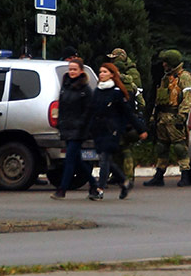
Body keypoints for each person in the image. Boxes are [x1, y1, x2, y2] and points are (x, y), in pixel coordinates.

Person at [83, 63, 147, 200]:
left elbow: (128, 113)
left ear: (112, 74)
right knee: (106, 160)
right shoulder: (97, 91)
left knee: (104, 159)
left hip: (111, 131)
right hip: (98, 130)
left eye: (105, 71)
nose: (101, 74)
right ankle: (124, 182)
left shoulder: (117, 93)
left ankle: (99, 189)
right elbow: (91, 111)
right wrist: (86, 128)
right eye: (100, 71)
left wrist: (140, 129)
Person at [145, 50, 191, 187]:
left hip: (174, 117)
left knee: (180, 147)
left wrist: (182, 116)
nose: (164, 64)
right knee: (162, 147)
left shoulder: (183, 77)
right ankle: (159, 175)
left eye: (166, 62)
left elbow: (188, 98)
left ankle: (185, 175)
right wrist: (154, 116)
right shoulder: (165, 78)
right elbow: (159, 99)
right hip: (162, 117)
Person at [51, 58, 98, 199]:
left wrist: (81, 125)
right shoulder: (65, 86)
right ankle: (93, 183)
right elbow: (62, 107)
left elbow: (89, 111)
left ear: (81, 71)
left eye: (74, 69)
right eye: (70, 69)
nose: (72, 72)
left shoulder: (86, 90)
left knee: (69, 160)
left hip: (79, 130)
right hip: (66, 128)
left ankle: (62, 190)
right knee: (77, 159)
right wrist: (59, 123)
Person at [106, 48, 145, 187]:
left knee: (122, 148)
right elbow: (141, 102)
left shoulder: (119, 81)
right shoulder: (131, 83)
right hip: (129, 119)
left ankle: (124, 176)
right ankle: (123, 175)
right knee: (122, 148)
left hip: (119, 120)